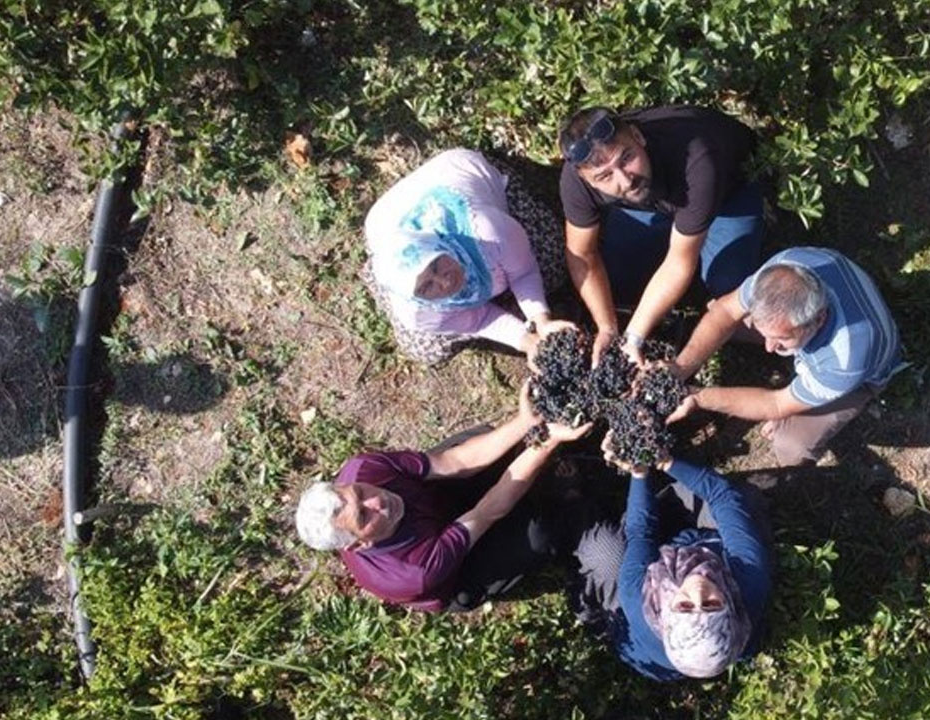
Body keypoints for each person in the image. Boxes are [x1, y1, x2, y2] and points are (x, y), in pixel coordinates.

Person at [295, 383, 591, 611]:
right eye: (364, 516)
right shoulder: (415, 570)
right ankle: (569, 511)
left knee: (479, 440)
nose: (376, 501)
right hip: (454, 570)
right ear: (359, 544)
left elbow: (455, 463)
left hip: (435, 501)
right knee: (537, 535)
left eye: (360, 493)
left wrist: (525, 423)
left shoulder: (362, 469)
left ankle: (527, 466)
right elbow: (489, 510)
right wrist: (548, 441)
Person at [557, 105, 765, 365]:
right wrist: (607, 327)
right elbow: (582, 255)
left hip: (727, 194)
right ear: (586, 180)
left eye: (626, 158)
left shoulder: (698, 159)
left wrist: (633, 337)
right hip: (651, 201)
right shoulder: (575, 182)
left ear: (638, 136)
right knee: (616, 280)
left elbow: (679, 262)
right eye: (605, 176)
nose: (624, 179)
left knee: (727, 292)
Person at [669, 246, 903, 466]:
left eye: (780, 340)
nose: (769, 348)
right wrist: (681, 367)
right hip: (821, 326)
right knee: (717, 317)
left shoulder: (847, 360)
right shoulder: (785, 268)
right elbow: (725, 311)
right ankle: (789, 351)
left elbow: (775, 404)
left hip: (861, 378)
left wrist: (699, 398)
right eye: (766, 335)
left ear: (819, 319)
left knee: (791, 446)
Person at [569, 438, 772, 680]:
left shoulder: (636, 597)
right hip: (702, 545)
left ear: (667, 612)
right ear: (731, 607)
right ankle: (680, 506)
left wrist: (640, 473)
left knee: (605, 553)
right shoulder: (750, 580)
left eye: (685, 607)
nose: (698, 590)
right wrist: (666, 461)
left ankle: (571, 498)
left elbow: (640, 533)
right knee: (743, 501)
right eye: (711, 605)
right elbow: (722, 497)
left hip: (640, 618)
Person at [364, 148, 571, 365]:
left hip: (459, 171)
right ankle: (375, 271)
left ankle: (496, 296)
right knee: (424, 350)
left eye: (435, 265)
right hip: (384, 225)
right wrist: (525, 341)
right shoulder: (417, 313)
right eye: (426, 287)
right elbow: (480, 320)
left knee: (553, 262)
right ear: (414, 298)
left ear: (438, 245)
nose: (445, 281)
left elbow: (524, 272)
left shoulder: (487, 232)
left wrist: (541, 319)